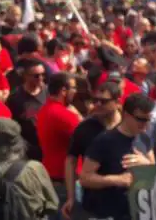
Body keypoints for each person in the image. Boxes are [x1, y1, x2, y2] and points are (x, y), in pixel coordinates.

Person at [79, 93, 156, 220]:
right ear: (126, 115)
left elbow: (154, 174)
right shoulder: (105, 141)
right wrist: (117, 180)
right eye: (140, 119)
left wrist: (146, 164)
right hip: (107, 213)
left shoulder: (144, 138)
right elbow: (85, 178)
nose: (145, 124)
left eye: (148, 119)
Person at [62, 81, 122, 219]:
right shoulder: (85, 128)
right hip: (94, 204)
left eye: (103, 101)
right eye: (95, 100)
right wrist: (70, 197)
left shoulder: (128, 125)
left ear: (117, 102)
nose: (98, 105)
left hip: (124, 202)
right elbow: (71, 160)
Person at [36, 72, 80, 220]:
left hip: (51, 177)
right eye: (73, 88)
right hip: (64, 182)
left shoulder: (45, 110)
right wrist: (79, 115)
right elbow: (88, 138)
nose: (76, 91)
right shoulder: (63, 114)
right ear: (63, 90)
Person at [6, 58, 48, 160]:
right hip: (28, 150)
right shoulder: (15, 98)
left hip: (47, 146)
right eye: (36, 76)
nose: (41, 78)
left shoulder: (48, 92)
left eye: (43, 74)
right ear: (25, 76)